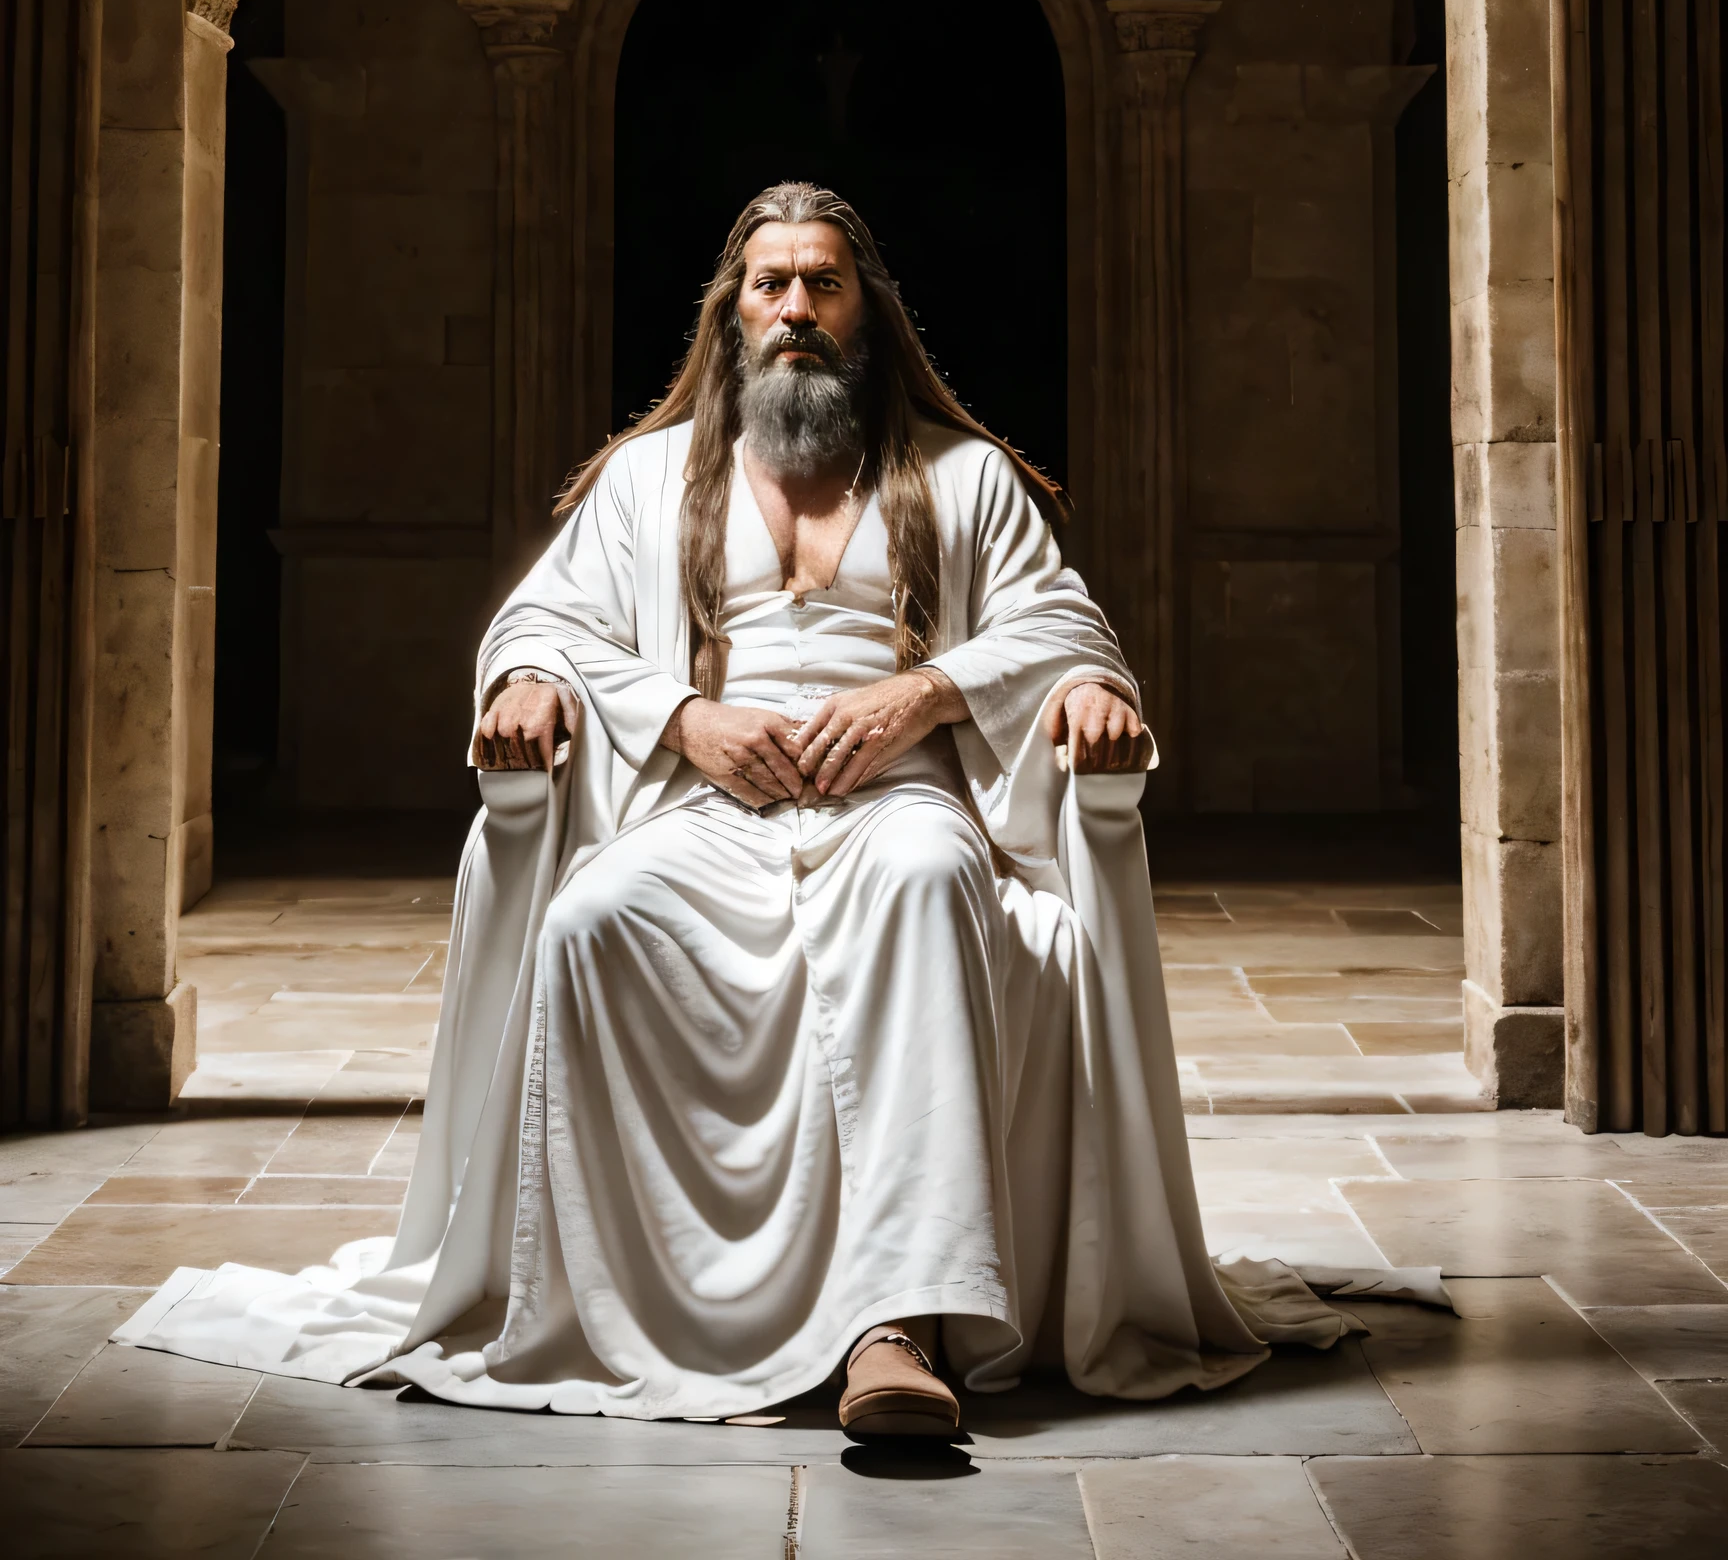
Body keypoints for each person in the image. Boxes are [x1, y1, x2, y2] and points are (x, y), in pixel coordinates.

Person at [118, 182, 1353, 1419]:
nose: (798, 310)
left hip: (902, 807)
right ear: (731, 315)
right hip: (708, 812)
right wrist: (676, 718)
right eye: (773, 286)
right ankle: (621, 1312)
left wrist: (937, 694)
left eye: (825, 284)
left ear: (869, 313)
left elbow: (1059, 621)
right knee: (591, 921)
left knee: (931, 884)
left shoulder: (961, 475)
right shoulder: (649, 479)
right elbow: (545, 620)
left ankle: (896, 1329)